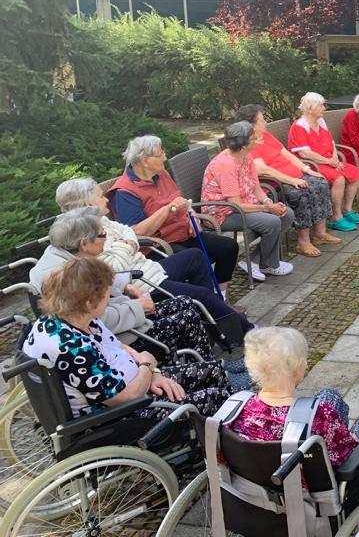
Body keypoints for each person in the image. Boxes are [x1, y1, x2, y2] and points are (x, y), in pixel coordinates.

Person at [22, 256, 230, 419]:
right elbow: (127, 396)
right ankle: (229, 446)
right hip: (119, 416)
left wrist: (153, 373)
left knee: (214, 371)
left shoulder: (70, 318)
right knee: (216, 397)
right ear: (89, 302)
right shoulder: (71, 349)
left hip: (136, 382)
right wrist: (147, 365)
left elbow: (116, 346)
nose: (110, 299)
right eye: (107, 295)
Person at [54, 177, 254, 334]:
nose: (106, 199)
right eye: (101, 196)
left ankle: (209, 320)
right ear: (88, 203)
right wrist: (127, 245)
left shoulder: (101, 220)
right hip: (140, 283)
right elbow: (114, 269)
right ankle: (246, 332)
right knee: (203, 295)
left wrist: (126, 243)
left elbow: (128, 230)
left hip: (148, 268)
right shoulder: (85, 235)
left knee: (195, 256)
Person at [28, 207, 216, 360]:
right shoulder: (66, 276)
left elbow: (97, 284)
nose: (107, 238)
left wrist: (124, 285)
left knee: (185, 302)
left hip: (120, 318)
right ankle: (205, 372)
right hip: (114, 340)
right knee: (187, 317)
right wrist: (138, 307)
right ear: (84, 243)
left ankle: (204, 363)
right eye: (103, 235)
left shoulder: (66, 254)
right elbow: (96, 321)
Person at [229, 327, 359, 467]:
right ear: (297, 369)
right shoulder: (320, 415)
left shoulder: (239, 409)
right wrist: (351, 438)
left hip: (268, 475)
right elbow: (346, 453)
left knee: (329, 395)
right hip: (331, 477)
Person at [109, 135, 240, 298]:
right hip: (159, 245)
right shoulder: (125, 192)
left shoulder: (161, 174)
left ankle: (220, 296)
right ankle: (206, 303)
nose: (165, 158)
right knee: (198, 260)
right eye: (160, 154)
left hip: (183, 233)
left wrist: (192, 214)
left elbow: (180, 200)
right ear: (145, 160)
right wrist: (167, 210)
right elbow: (136, 232)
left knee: (229, 247)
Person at [235, 104, 340, 259]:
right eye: (262, 120)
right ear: (251, 125)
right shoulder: (247, 145)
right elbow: (265, 170)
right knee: (302, 193)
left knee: (321, 182)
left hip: (294, 177)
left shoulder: (267, 136)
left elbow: (288, 155)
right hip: (275, 184)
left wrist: (307, 170)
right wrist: (292, 180)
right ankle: (303, 242)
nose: (265, 123)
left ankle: (319, 233)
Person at [201, 120, 295, 282]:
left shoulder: (246, 156)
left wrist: (268, 202)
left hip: (244, 205)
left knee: (287, 214)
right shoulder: (225, 165)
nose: (257, 140)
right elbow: (235, 205)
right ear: (243, 145)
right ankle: (264, 263)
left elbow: (257, 188)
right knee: (272, 222)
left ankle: (256, 262)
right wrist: (267, 209)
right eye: (253, 138)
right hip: (222, 213)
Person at [288, 92, 359, 232]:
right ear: (310, 108)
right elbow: (305, 153)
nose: (324, 108)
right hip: (312, 165)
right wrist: (330, 161)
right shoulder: (299, 126)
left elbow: (332, 143)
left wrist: (335, 159)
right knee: (338, 178)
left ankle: (347, 209)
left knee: (354, 172)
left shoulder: (321, 122)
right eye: (321, 105)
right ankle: (336, 217)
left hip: (328, 161)